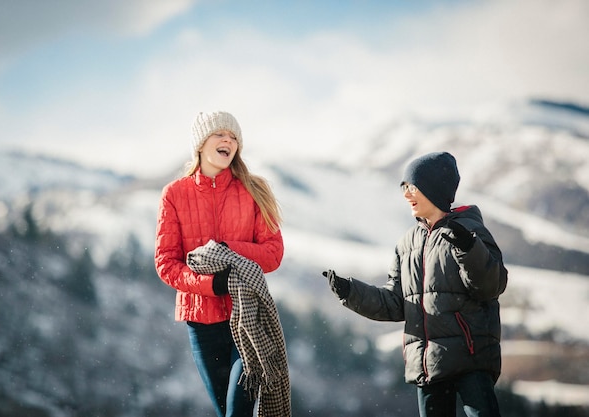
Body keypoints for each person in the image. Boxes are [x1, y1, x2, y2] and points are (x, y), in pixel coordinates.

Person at [323, 151, 508, 417]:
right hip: (427, 363)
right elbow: (396, 304)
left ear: (433, 188)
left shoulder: (469, 230)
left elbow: (491, 285)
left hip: (472, 357)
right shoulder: (407, 243)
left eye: (412, 187)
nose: (406, 194)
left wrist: (469, 248)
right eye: (404, 188)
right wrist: (351, 292)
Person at [155, 111, 285, 417]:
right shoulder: (174, 194)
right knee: (226, 412)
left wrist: (227, 251)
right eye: (220, 134)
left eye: (234, 137)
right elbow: (166, 263)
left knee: (238, 411)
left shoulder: (255, 191)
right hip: (201, 323)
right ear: (200, 144)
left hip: (248, 320)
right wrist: (211, 284)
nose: (228, 140)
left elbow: (273, 253)